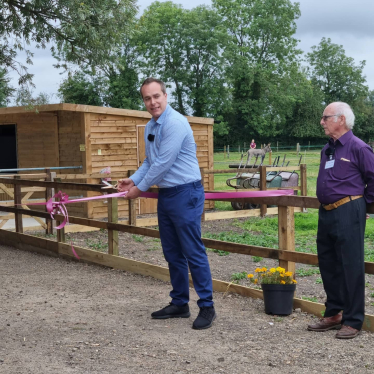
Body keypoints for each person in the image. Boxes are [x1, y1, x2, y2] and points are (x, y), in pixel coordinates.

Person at [117, 77, 216, 330]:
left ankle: (207, 307)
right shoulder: (151, 126)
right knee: (172, 252)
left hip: (186, 193)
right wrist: (132, 180)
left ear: (165, 95)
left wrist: (139, 190)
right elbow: (150, 161)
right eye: (147, 98)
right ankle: (180, 303)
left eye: (156, 96)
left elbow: (163, 163)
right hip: (167, 195)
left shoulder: (176, 123)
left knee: (193, 251)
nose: (152, 102)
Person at [307, 102, 374, 339]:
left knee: (351, 265)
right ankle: (334, 313)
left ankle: (353, 320)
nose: (322, 122)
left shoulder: (359, 147)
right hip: (326, 211)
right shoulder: (328, 149)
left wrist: (364, 206)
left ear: (341, 119)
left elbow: (373, 178)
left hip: (348, 210)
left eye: (326, 117)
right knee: (328, 263)